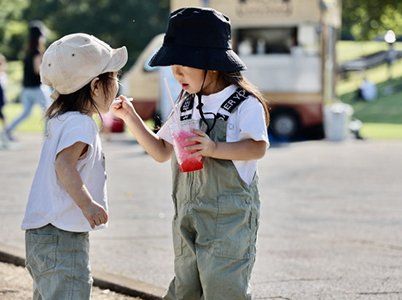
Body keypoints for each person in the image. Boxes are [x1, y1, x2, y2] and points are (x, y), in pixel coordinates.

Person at [112, 7, 270, 300]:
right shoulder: (186, 102)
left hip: (229, 219)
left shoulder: (243, 103)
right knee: (185, 288)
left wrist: (214, 148)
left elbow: (257, 147)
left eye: (184, 63)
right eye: (173, 64)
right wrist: (132, 118)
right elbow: (161, 152)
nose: (176, 71)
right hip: (187, 214)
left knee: (223, 288)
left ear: (210, 62)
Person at [21, 33, 128, 300]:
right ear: (95, 87)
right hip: (61, 235)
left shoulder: (60, 119)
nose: (117, 85)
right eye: (114, 78)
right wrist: (87, 204)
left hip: (43, 233)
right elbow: (64, 166)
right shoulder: (81, 124)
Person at [3, 20, 51, 141]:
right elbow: (37, 69)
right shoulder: (36, 51)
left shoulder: (28, 50)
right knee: (48, 113)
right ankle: (48, 138)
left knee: (25, 113)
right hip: (37, 88)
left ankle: (6, 131)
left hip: (26, 89)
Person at [0, 54, 8, 143]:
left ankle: (6, 132)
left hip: (1, 99)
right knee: (2, 117)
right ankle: (6, 132)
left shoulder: (4, 75)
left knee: (3, 117)